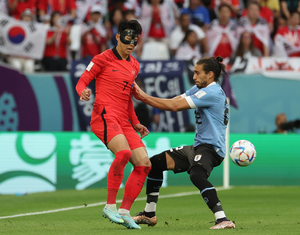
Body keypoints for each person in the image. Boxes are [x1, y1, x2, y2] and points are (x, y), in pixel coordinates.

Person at [131, 56, 235, 230]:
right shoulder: (200, 88)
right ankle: (149, 214)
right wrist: (145, 97)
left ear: (210, 75)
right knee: (155, 163)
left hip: (212, 149)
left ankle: (223, 219)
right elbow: (174, 101)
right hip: (198, 147)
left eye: (197, 73)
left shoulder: (212, 92)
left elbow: (174, 107)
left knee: (196, 174)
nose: (193, 76)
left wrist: (142, 96)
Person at [75, 19, 151, 230]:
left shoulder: (134, 65)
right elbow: (83, 80)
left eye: (134, 41)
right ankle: (109, 206)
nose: (131, 44)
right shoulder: (102, 58)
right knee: (124, 154)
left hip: (123, 120)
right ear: (117, 36)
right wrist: (82, 90)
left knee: (144, 164)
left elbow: (127, 97)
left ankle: (125, 211)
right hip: (104, 114)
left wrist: (135, 122)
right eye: (127, 38)